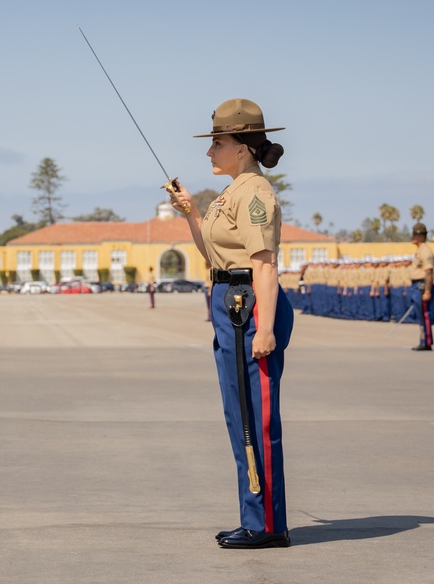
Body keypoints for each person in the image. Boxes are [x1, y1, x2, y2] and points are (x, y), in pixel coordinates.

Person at [169, 98, 293, 549]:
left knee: (254, 418)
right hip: (229, 300)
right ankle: (255, 515)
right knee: (237, 413)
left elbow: (263, 263)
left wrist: (264, 328)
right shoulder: (231, 192)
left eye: (217, 143)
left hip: (249, 306)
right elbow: (215, 256)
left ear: (241, 147)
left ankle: (267, 524)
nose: (210, 153)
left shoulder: (255, 193)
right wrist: (191, 214)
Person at [409, 223, 434, 350]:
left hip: (421, 285)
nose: (412, 236)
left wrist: (427, 291)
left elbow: (428, 272)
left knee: (425, 314)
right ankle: (422, 340)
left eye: (415, 234)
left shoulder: (425, 251)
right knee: (419, 314)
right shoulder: (419, 250)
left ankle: (427, 341)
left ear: (421, 236)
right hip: (416, 285)